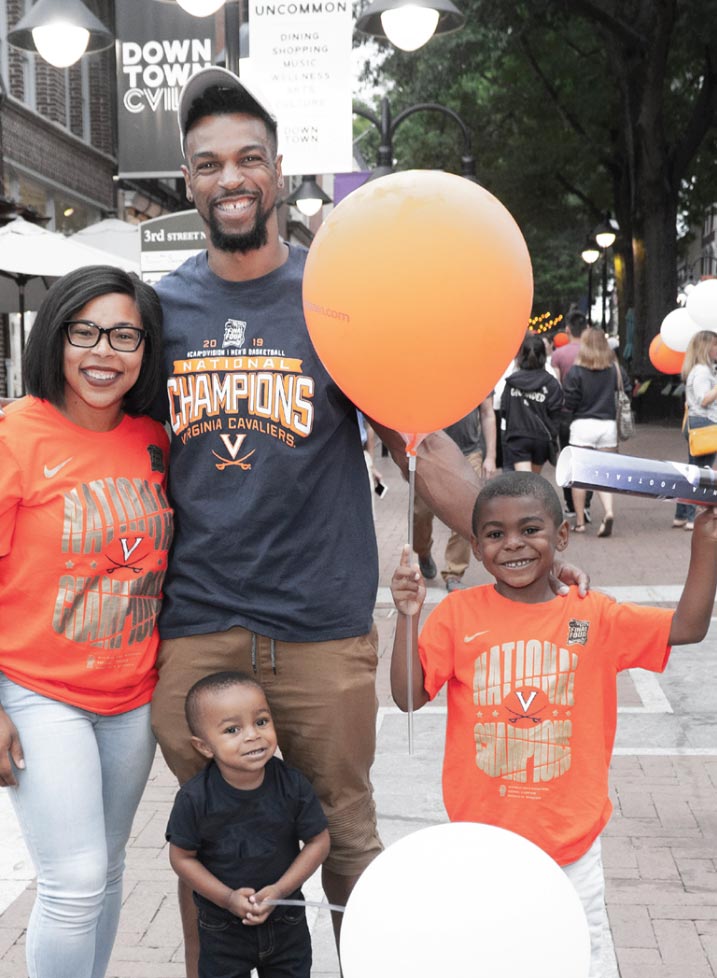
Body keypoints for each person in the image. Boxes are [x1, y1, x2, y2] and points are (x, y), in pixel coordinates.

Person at [148, 65, 590, 977]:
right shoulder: (162, 311)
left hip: (319, 627)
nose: (230, 177)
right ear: (187, 181)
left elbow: (419, 444)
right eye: (208, 163)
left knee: (347, 840)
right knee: (209, 853)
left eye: (249, 158)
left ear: (276, 172)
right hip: (198, 625)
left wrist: (519, 552)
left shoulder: (336, 293)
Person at [390, 471, 717, 978]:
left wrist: (707, 541)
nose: (513, 544)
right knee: (491, 957)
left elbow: (688, 627)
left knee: (576, 958)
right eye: (495, 535)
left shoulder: (593, 615)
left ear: (561, 536)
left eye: (530, 529)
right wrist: (407, 616)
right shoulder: (457, 614)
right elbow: (408, 696)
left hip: (570, 845)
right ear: (475, 548)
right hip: (484, 844)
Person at [0, 266, 172, 978]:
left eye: (124, 335)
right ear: (57, 338)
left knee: (104, 874)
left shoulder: (153, 436)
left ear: (145, 348)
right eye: (86, 332)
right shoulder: (15, 435)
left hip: (132, 697)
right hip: (39, 691)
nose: (104, 352)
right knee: (72, 882)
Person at [166, 672, 330, 978]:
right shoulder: (194, 798)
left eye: (262, 721)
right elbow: (181, 858)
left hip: (286, 922)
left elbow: (319, 841)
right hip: (221, 928)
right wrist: (227, 898)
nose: (253, 735)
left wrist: (281, 889)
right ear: (203, 747)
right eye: (232, 729)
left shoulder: (292, 785)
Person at [413, 398, 497, 591]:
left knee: (468, 512)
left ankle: (454, 572)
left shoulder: (478, 372)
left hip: (468, 452)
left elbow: (487, 413)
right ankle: (423, 550)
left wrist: (491, 456)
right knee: (420, 514)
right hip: (429, 451)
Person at [562, 327, 630, 537]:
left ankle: (581, 522)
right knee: (605, 473)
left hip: (582, 425)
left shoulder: (576, 371)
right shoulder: (613, 369)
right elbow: (626, 387)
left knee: (580, 475)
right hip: (607, 425)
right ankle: (608, 512)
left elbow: (569, 402)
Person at [500, 333, 563, 473]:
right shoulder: (551, 383)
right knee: (534, 481)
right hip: (541, 438)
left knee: (525, 481)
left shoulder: (512, 382)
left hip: (518, 437)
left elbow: (504, 410)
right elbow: (556, 412)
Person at [673, 330, 717, 531]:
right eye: (714, 345)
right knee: (701, 472)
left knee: (693, 469)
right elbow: (704, 398)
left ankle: (682, 514)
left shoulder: (699, 370)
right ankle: (692, 516)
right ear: (705, 347)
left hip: (698, 424)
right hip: (705, 424)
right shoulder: (702, 371)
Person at [551, 309, 591, 518]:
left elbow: (556, 386)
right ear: (585, 330)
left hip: (566, 413)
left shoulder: (558, 355)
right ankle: (587, 502)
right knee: (591, 458)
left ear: (567, 330)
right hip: (591, 412)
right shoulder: (594, 353)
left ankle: (570, 503)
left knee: (568, 457)